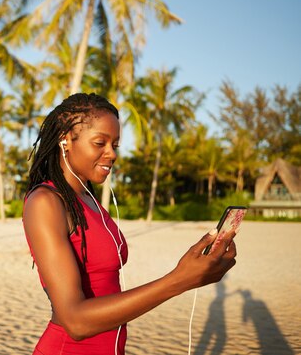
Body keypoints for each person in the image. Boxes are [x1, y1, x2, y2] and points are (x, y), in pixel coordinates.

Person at [23, 93, 237, 355]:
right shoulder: (46, 201)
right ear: (65, 139)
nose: (111, 154)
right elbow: (75, 321)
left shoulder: (88, 200)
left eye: (115, 145)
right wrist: (178, 280)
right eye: (100, 142)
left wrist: (192, 271)